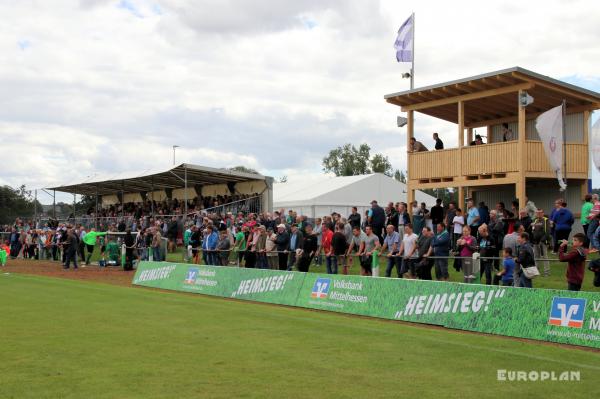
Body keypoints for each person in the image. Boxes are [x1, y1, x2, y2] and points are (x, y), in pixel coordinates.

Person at [531, 209, 550, 276]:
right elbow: (533, 231)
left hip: (543, 242)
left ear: (543, 213)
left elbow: (548, 232)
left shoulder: (546, 220)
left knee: (545, 257)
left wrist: (542, 241)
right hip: (535, 242)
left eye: (540, 213)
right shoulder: (535, 220)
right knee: (536, 257)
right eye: (537, 213)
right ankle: (536, 272)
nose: (538, 214)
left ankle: (546, 272)